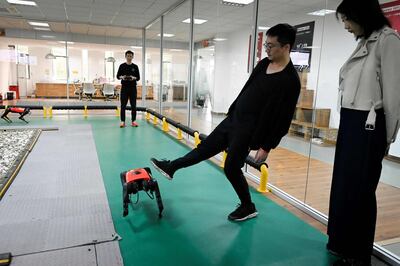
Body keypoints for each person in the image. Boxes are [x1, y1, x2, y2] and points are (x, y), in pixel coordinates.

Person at [151, 23, 301, 222]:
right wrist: (233, 109)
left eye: (271, 46)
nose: (267, 49)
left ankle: (248, 206)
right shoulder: (264, 64)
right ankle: (172, 167)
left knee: (231, 167)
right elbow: (249, 88)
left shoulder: (290, 80)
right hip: (234, 119)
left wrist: (267, 146)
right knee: (204, 148)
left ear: (286, 47)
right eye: (266, 45)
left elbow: (283, 119)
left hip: (250, 130)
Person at [327, 0, 400, 265]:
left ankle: (358, 254)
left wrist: (386, 138)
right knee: (344, 186)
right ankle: (340, 241)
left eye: (347, 19)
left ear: (361, 15)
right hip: (351, 122)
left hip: (370, 127)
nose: (345, 25)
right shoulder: (364, 41)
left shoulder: (387, 40)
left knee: (360, 191)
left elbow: (393, 95)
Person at [117, 50, 140, 128]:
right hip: (124, 88)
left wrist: (134, 78)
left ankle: (133, 121)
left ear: (132, 57)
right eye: (128, 56)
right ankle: (122, 121)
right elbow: (118, 76)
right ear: (125, 56)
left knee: (133, 105)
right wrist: (122, 77)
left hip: (133, 88)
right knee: (123, 105)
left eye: (130, 56)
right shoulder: (122, 66)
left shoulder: (135, 67)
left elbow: (138, 78)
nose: (129, 57)